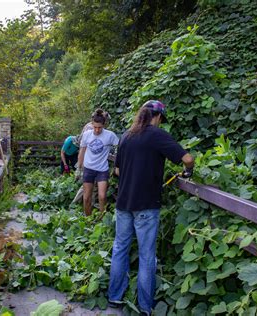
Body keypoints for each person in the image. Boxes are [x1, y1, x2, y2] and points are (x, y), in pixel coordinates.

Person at [107, 100, 194, 315]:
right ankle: (146, 307)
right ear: (157, 117)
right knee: (147, 255)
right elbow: (188, 158)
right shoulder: (157, 135)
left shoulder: (127, 136)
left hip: (123, 203)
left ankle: (115, 297)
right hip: (146, 205)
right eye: (161, 119)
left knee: (120, 248)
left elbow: (117, 171)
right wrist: (188, 170)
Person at [76, 109, 119, 216]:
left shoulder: (110, 135)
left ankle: (102, 219)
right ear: (92, 124)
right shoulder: (87, 134)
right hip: (88, 169)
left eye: (99, 127)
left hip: (102, 170)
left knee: (102, 196)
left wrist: (117, 163)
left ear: (104, 125)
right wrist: (79, 168)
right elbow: (82, 151)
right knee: (86, 198)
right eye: (95, 127)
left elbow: (119, 146)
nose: (97, 130)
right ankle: (88, 219)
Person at [72, 110, 111, 204]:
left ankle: (86, 206)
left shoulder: (90, 125)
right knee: (87, 187)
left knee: (89, 187)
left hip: (87, 158)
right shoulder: (91, 128)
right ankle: (76, 204)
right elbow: (86, 146)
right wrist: (80, 166)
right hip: (88, 159)